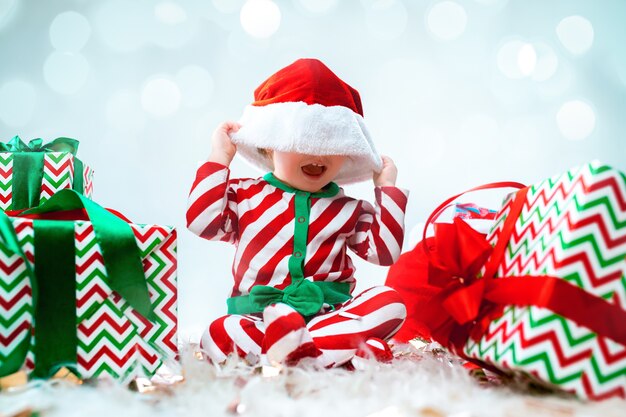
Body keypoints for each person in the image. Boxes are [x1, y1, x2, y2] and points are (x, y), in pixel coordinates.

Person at [186, 58, 409, 368]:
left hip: (328, 317)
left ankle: (306, 348)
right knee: (219, 332)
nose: (317, 152)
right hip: (259, 319)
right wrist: (219, 157)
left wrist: (387, 188)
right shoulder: (244, 196)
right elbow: (201, 223)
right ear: (268, 144)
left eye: (331, 142)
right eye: (302, 140)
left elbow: (384, 253)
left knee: (391, 302)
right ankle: (331, 352)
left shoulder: (349, 210)